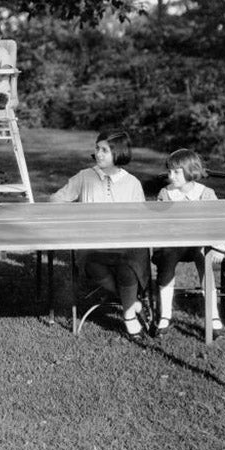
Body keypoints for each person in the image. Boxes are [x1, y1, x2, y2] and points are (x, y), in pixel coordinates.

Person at [50, 129, 149, 342]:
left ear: (119, 153)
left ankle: (129, 316)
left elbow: (141, 220)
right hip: (92, 246)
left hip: (125, 245)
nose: (99, 154)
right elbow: (56, 199)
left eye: (105, 150)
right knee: (92, 265)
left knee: (127, 266)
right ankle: (131, 304)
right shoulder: (84, 177)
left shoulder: (132, 183)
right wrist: (75, 217)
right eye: (98, 149)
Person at [151, 148, 225, 337]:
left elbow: (218, 223)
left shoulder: (206, 193)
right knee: (167, 260)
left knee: (204, 258)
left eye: (176, 172)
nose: (171, 176)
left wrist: (219, 245)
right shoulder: (164, 193)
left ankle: (213, 315)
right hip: (173, 244)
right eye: (169, 171)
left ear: (190, 171)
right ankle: (165, 315)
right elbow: (159, 225)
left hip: (200, 244)